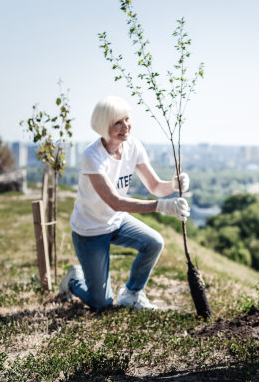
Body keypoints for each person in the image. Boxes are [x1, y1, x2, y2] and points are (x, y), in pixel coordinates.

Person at [59, 96, 190, 311]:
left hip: (116, 222)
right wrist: (161, 206)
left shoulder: (133, 146)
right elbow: (115, 202)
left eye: (127, 119)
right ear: (103, 126)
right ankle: (73, 281)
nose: (125, 126)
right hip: (90, 230)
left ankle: (131, 293)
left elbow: (155, 186)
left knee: (154, 243)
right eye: (117, 122)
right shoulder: (92, 156)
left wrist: (174, 185)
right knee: (101, 304)